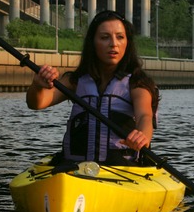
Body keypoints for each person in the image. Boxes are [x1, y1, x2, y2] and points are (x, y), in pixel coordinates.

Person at [26, 10, 159, 166]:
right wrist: (38, 86)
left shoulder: (137, 83)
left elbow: (145, 115)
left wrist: (142, 135)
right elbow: (37, 103)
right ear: (93, 42)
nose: (113, 44)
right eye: (104, 37)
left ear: (127, 42)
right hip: (76, 167)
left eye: (120, 37)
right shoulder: (75, 80)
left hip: (121, 168)